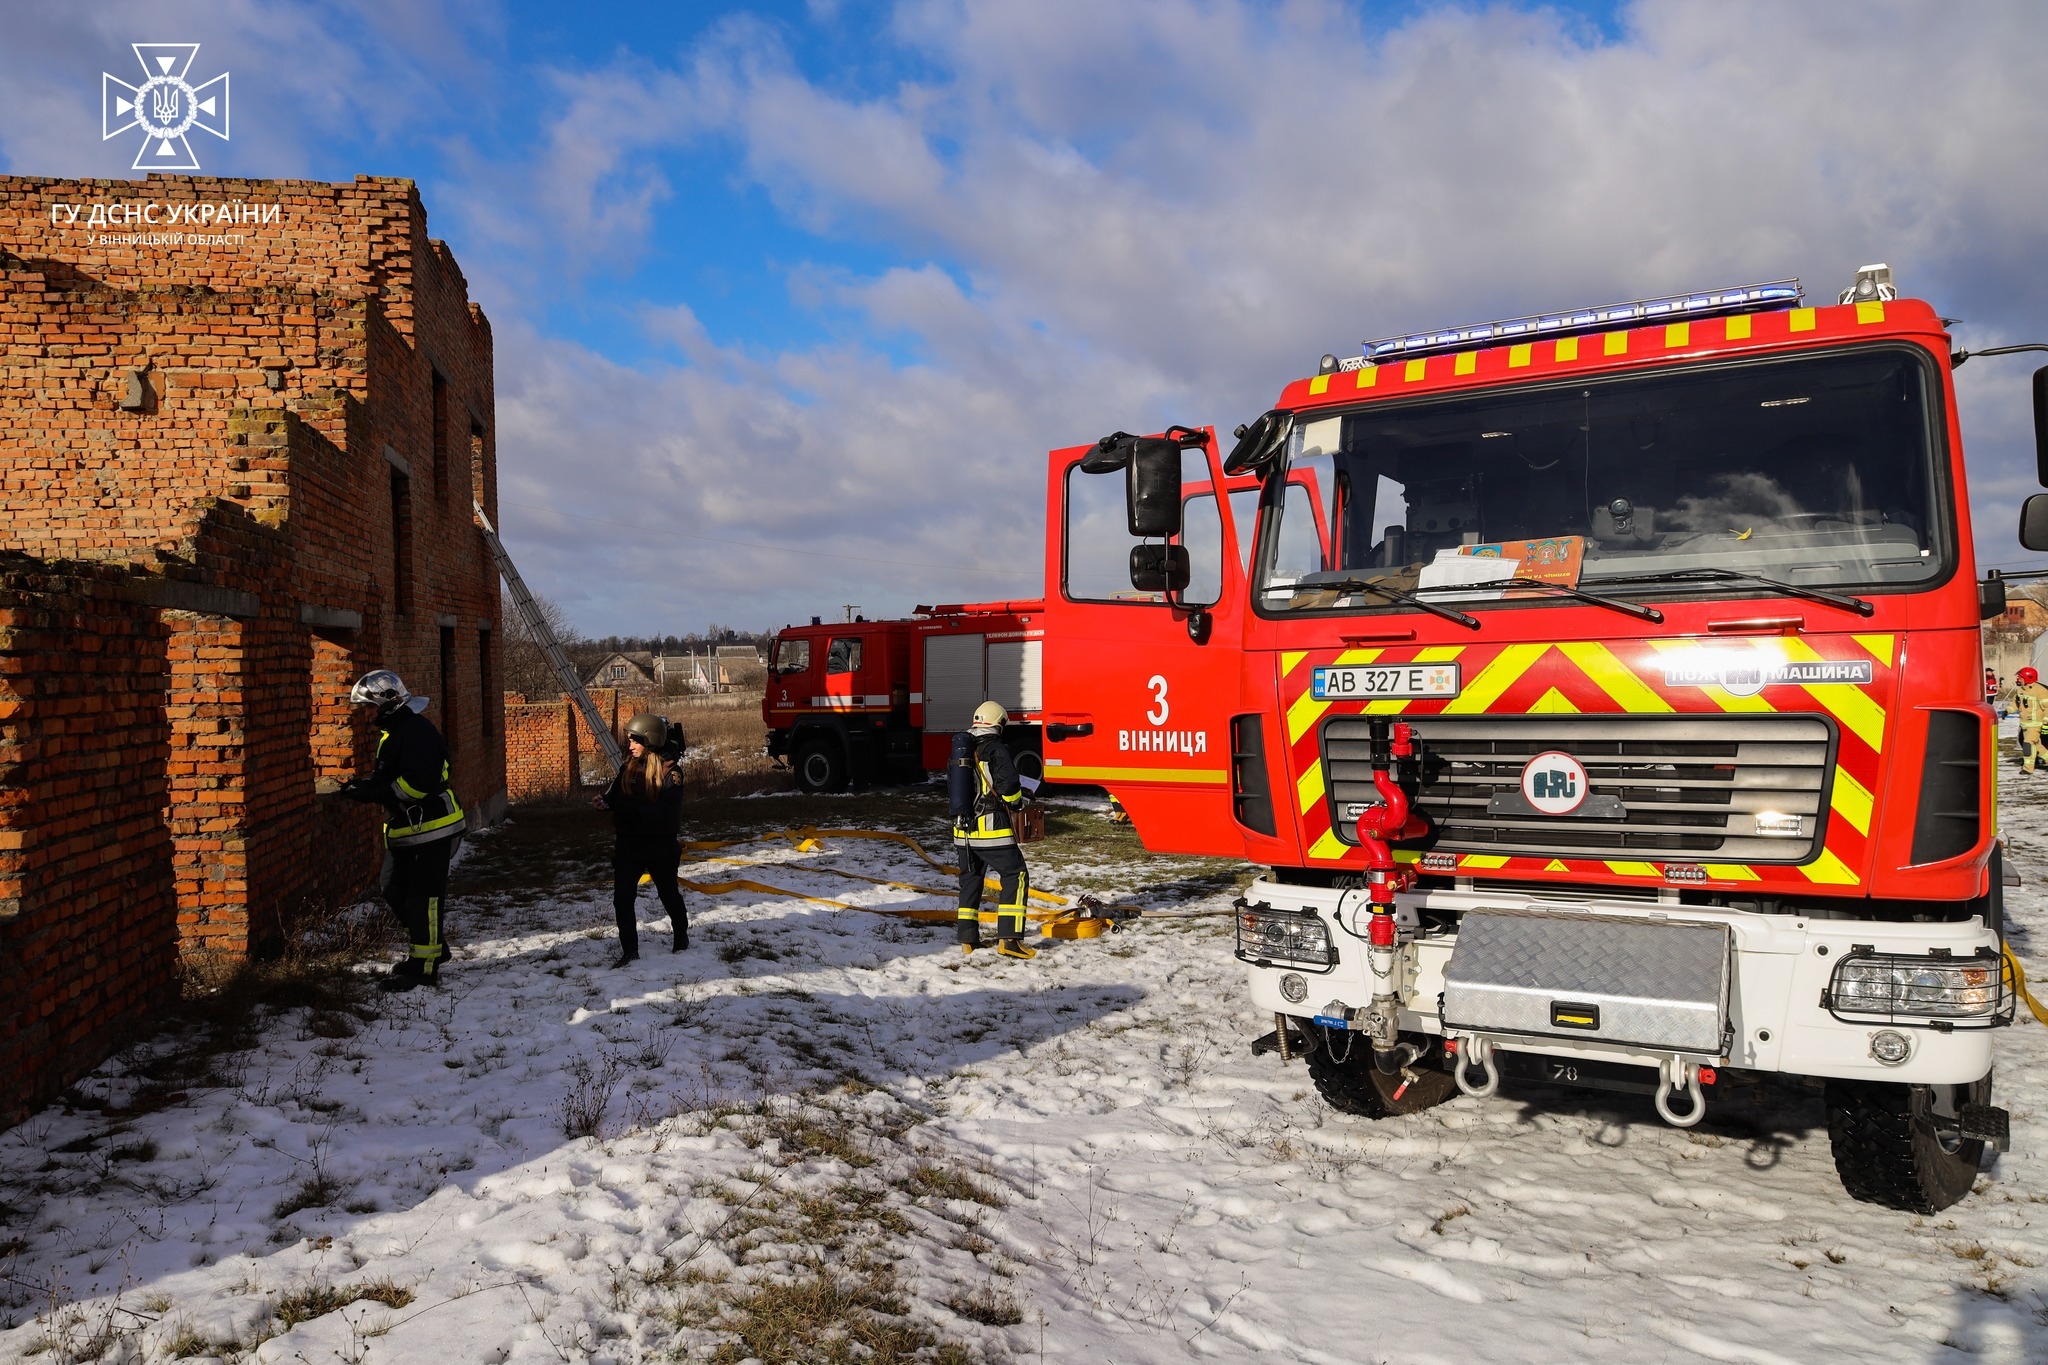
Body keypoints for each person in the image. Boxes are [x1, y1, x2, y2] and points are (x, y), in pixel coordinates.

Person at [341, 669, 466, 991]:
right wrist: (365, 785)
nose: (366, 713)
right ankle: (433, 948)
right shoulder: (395, 731)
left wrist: (374, 793)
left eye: (369, 706)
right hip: (408, 829)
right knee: (392, 888)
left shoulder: (416, 731)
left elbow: (417, 784)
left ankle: (423, 969)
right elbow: (393, 775)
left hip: (431, 827)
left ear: (388, 703)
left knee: (422, 897)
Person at [593, 712, 688, 964]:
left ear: (650, 741)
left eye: (635, 741)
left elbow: (666, 812)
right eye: (629, 740)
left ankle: (681, 937)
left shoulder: (672, 773)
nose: (630, 745)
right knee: (622, 898)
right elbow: (615, 796)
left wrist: (633, 813)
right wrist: (605, 802)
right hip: (629, 845)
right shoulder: (628, 766)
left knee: (668, 894)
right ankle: (629, 951)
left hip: (659, 845)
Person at [952, 701, 1035, 960]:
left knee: (970, 879)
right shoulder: (995, 749)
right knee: (1015, 875)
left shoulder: (961, 749)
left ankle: (968, 939)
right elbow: (1009, 786)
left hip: (963, 831)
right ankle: (1009, 940)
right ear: (999, 723)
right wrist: (1018, 803)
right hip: (992, 830)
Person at [2019, 668, 2048, 774]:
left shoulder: (2041, 691)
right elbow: (2016, 702)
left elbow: (2047, 708)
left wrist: (2045, 723)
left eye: (2020, 677)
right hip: (2025, 724)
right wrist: (2008, 711)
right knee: (2036, 746)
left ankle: (2028, 769)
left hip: (2035, 724)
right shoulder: (2021, 690)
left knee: (2028, 744)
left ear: (2027, 678)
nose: (2018, 679)